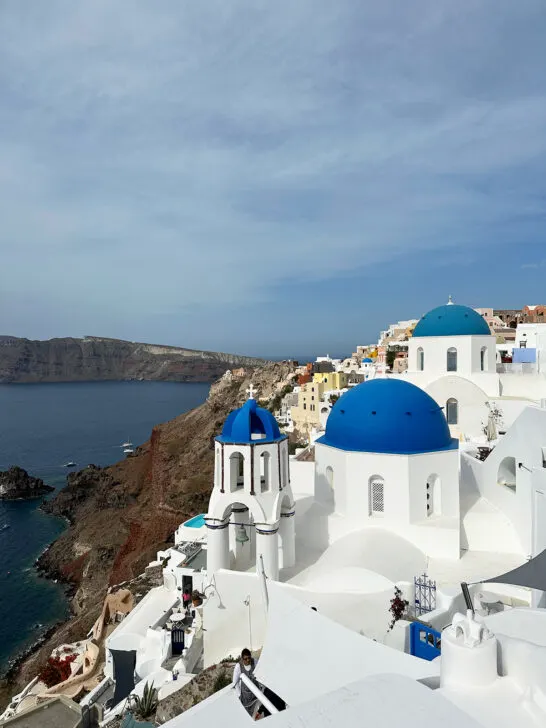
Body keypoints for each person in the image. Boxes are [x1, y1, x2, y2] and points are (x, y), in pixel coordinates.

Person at [232, 648, 260, 717]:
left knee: (256, 715)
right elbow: (235, 682)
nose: (248, 660)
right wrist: (239, 695)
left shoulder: (255, 661)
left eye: (249, 658)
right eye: (245, 659)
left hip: (256, 695)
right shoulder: (238, 666)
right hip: (245, 697)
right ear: (242, 659)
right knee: (247, 715)